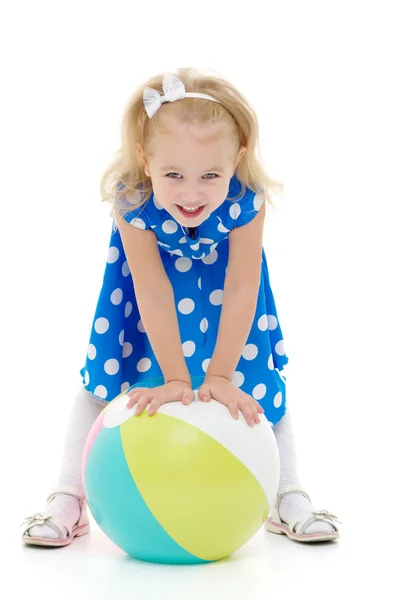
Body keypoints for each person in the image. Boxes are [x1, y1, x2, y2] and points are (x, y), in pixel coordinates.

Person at [21, 68, 341, 547]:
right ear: (146, 161)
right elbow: (151, 291)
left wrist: (217, 377)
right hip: (149, 316)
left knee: (261, 387)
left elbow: (241, 288)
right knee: (100, 387)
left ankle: (287, 492)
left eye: (210, 175)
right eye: (174, 175)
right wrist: (174, 379)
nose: (192, 194)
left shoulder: (245, 204)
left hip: (228, 313)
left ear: (237, 159)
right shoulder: (132, 203)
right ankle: (68, 495)